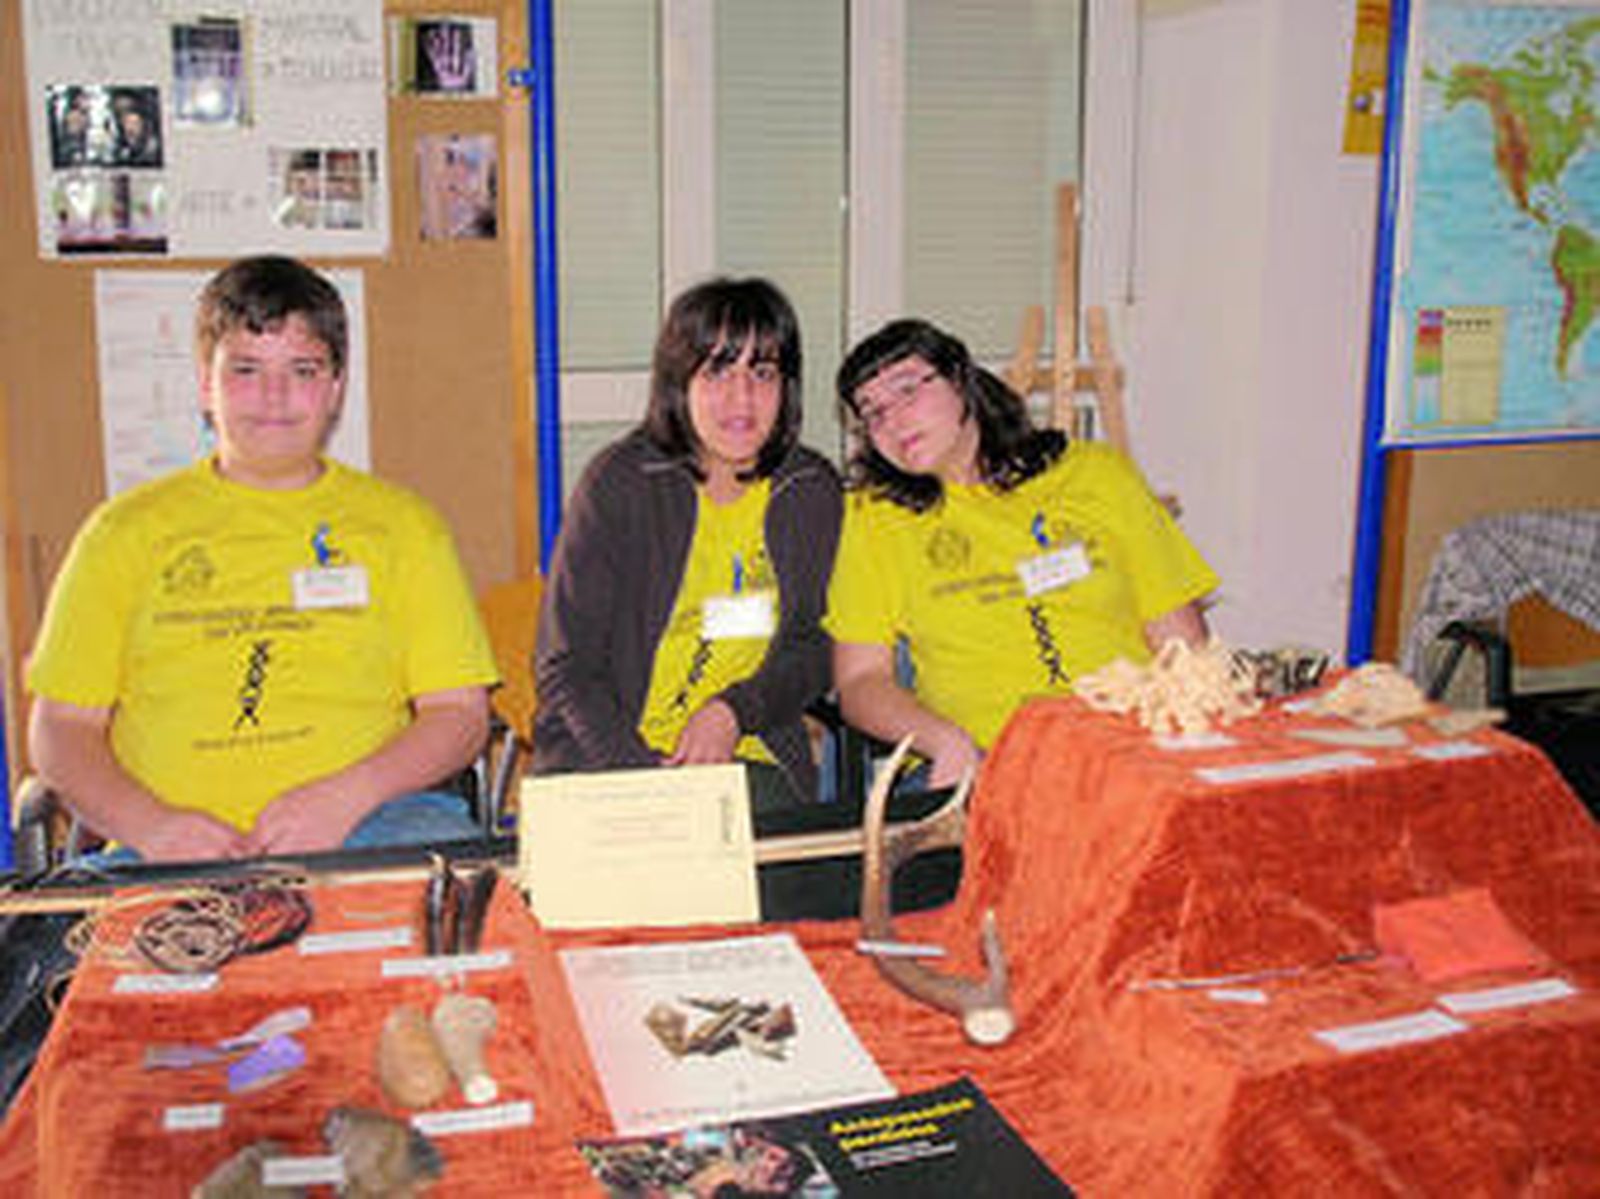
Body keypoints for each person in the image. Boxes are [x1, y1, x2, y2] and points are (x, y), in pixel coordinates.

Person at [27, 256, 499, 863]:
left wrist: (343, 798)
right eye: (246, 369)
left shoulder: (405, 529)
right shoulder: (123, 533)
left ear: (335, 387)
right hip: (168, 849)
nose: (274, 396)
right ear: (205, 383)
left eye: (302, 370)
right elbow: (61, 730)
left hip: (372, 827)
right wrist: (154, 827)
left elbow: (459, 714)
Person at [828, 318, 1219, 789]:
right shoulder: (876, 517)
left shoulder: (1096, 473)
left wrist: (1187, 742)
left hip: (1128, 754)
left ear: (961, 380)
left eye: (907, 389)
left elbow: (1181, 644)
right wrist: (944, 741)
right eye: (872, 413)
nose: (891, 420)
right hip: (988, 763)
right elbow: (861, 682)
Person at [534, 278, 842, 807]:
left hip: (746, 757)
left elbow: (814, 648)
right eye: (718, 370)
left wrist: (733, 711)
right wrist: (638, 778)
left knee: (782, 886)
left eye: (762, 372)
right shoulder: (622, 482)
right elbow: (565, 666)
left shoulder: (810, 489)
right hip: (609, 761)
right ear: (680, 382)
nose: (741, 398)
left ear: (786, 386)